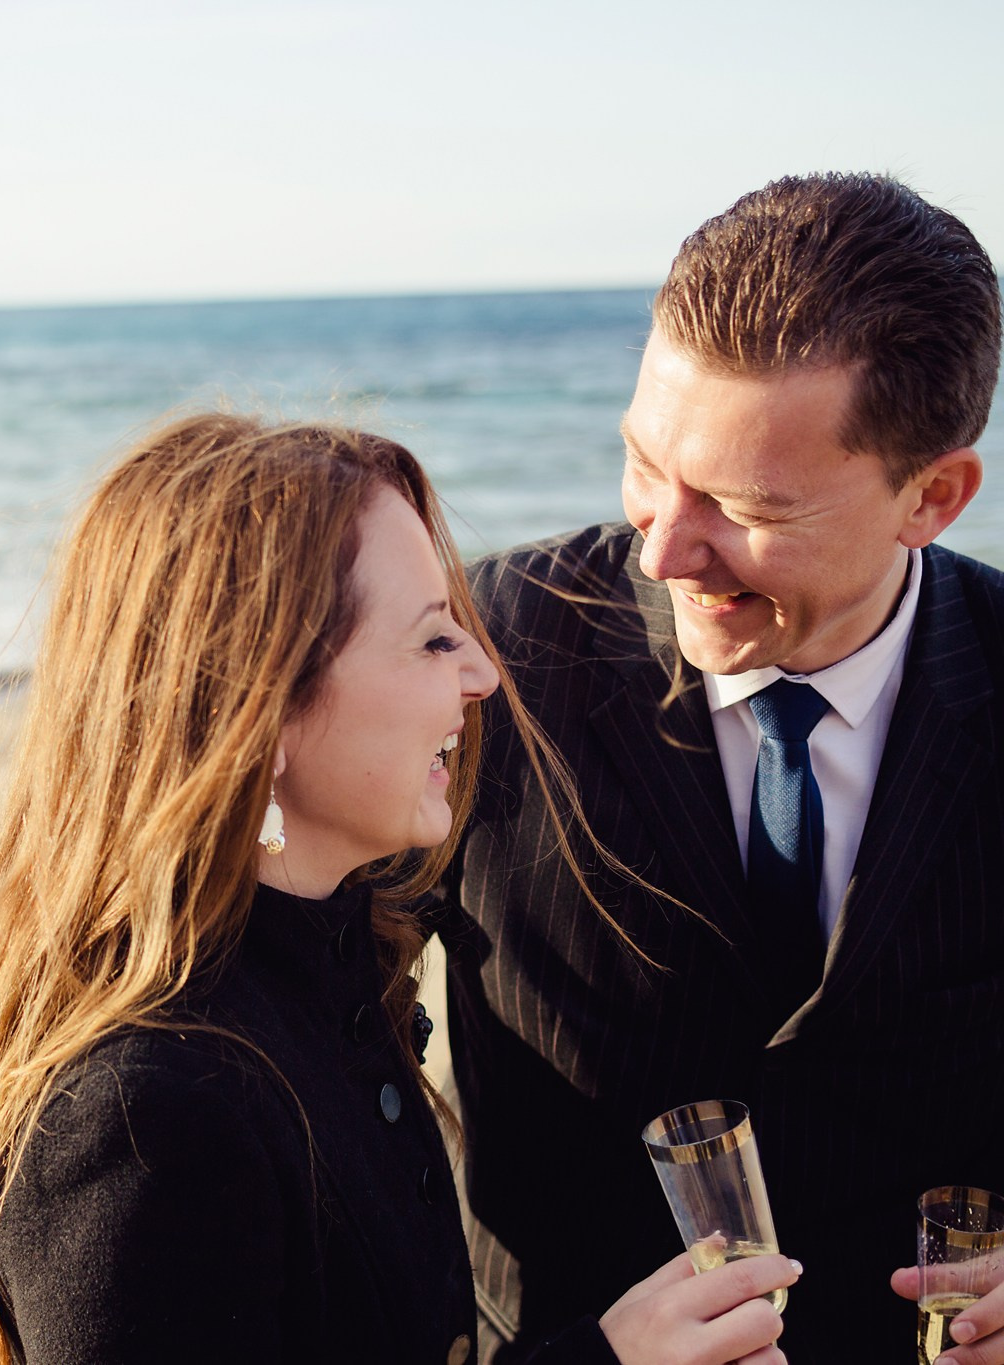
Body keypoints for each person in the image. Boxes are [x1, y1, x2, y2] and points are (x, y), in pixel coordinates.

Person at [0, 413, 797, 1364]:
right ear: (261, 707)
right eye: (435, 639)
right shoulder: (140, 1122)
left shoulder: (330, 953)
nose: (486, 673)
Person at [441, 172, 1004, 1365]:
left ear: (933, 496)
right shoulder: (486, 654)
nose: (660, 548)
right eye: (646, 464)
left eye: (744, 506)